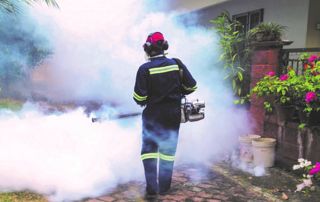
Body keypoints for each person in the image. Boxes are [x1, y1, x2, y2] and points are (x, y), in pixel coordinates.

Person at [133, 32, 197, 198]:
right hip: (172, 115)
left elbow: (139, 98)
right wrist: (177, 93)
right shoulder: (176, 64)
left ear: (147, 49)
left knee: (149, 150)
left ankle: (152, 188)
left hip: (152, 117)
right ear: (165, 46)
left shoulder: (144, 69)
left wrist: (146, 99)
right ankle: (165, 187)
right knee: (168, 151)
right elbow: (192, 87)